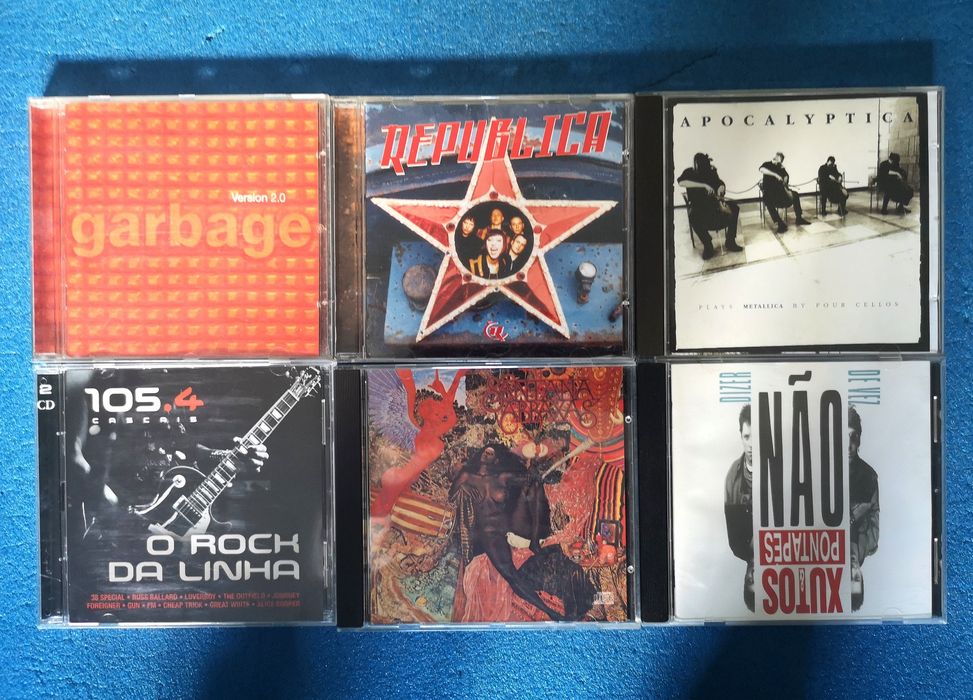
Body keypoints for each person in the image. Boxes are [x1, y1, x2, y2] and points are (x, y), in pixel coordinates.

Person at [449, 443, 592, 622]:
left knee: (534, 485)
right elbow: (451, 496)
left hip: (507, 529)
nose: (487, 455)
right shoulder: (467, 476)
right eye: (486, 451)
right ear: (479, 454)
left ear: (497, 460)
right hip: (489, 534)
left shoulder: (502, 477)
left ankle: (535, 541)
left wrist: (536, 473)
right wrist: (465, 489)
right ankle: (551, 612)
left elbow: (527, 479)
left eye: (492, 453)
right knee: (511, 575)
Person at [677, 153, 743, 260]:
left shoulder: (711, 171)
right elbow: (681, 182)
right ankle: (708, 245)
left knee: (734, 208)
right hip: (699, 208)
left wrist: (721, 187)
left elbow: (719, 182)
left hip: (714, 205)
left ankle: (730, 241)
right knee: (692, 216)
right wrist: (704, 185)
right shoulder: (689, 172)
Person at [848, 406, 880, 610]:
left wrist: (852, 517)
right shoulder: (871, 542)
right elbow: (871, 508)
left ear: (859, 439)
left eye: (853, 436)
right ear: (862, 576)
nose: (848, 445)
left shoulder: (868, 476)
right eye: (856, 579)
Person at [724, 404, 755, 612]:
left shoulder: (737, 544)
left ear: (745, 577)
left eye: (750, 580)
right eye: (747, 437)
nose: (751, 444)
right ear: (741, 436)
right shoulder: (732, 476)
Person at [760, 152, 811, 233]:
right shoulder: (767, 164)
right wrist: (776, 175)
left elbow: (786, 176)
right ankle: (780, 223)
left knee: (795, 194)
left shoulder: (780, 167)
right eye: (778, 160)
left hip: (780, 191)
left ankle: (799, 218)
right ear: (775, 158)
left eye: (780, 161)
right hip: (769, 191)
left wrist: (785, 177)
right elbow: (761, 169)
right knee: (767, 199)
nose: (779, 163)